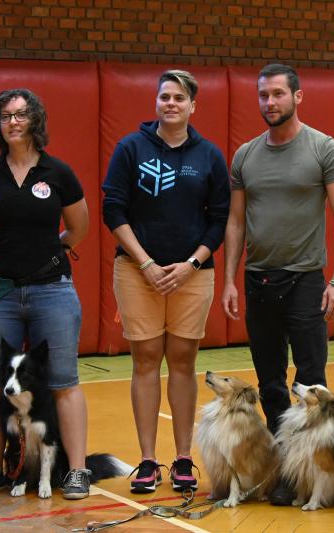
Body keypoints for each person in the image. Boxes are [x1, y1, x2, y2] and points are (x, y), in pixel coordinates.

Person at [221, 63, 334, 503]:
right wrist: (229, 280)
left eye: (278, 94)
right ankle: (284, 468)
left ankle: (315, 473)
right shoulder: (245, 155)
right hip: (258, 282)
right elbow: (236, 222)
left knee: (312, 380)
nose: (269, 103)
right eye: (263, 95)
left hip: (306, 281)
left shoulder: (324, 149)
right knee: (271, 383)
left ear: (297, 97)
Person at [102, 70, 230, 494]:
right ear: (156, 103)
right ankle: (146, 461)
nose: (170, 103)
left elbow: (219, 220)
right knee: (145, 360)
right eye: (164, 97)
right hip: (139, 273)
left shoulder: (209, 155)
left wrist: (191, 264)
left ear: (193, 105)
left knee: (181, 360)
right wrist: (146, 264)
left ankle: (182, 458)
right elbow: (113, 211)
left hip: (191, 275)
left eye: (179, 98)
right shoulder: (130, 148)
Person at [0, 89, 91, 499]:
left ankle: (77, 471)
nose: (13, 122)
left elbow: (78, 228)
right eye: (5, 116)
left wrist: (47, 255)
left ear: (35, 120)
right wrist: (0, 261)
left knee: (64, 382)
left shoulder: (59, 173)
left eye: (20, 115)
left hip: (52, 290)